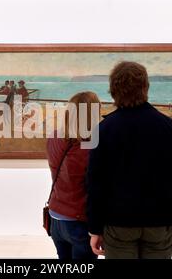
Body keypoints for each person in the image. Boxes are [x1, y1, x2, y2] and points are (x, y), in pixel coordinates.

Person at [87, 61, 172, 259]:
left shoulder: (103, 130)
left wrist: (95, 228)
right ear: (145, 87)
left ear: (113, 90)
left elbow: (95, 184)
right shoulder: (169, 128)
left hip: (118, 225)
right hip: (158, 224)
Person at [46, 91, 101, 260]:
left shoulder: (54, 137)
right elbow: (96, 189)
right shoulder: (92, 148)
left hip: (56, 215)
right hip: (79, 221)